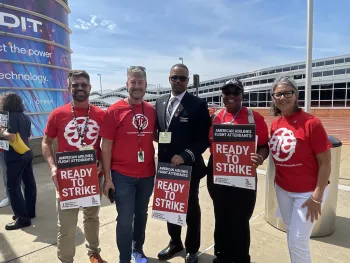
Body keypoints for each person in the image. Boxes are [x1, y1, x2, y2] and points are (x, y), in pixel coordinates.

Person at [42, 70, 106, 263]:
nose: (79, 88)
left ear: (90, 88)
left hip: (93, 176)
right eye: (75, 85)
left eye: (83, 85)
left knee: (92, 218)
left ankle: (93, 253)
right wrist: (53, 167)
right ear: (68, 88)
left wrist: (102, 162)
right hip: (67, 178)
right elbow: (46, 143)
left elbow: (108, 144)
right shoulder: (57, 114)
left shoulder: (101, 115)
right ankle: (66, 260)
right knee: (67, 225)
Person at [269, 76, 331, 263]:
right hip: (283, 189)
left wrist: (316, 197)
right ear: (273, 98)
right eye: (278, 94)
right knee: (291, 234)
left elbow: (326, 162)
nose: (282, 97)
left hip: (307, 193)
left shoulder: (312, 123)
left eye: (288, 93)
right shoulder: (275, 124)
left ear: (296, 95)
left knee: (298, 240)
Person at [207, 79, 269, 263]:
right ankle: (221, 255)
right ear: (222, 95)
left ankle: (241, 257)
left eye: (236, 92)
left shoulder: (254, 117)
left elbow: (264, 146)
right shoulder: (215, 117)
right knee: (221, 215)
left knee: (241, 219)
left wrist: (260, 157)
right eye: (227, 92)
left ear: (242, 94)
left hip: (244, 174)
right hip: (218, 173)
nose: (231, 96)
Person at [155, 64, 211, 263]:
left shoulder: (197, 104)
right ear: (169, 79)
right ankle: (175, 242)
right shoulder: (160, 102)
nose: (178, 81)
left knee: (190, 208)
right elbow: (159, 132)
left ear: (187, 81)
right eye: (174, 77)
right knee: (170, 207)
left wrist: (185, 156)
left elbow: (204, 140)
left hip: (188, 167)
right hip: (166, 167)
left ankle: (192, 249)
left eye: (182, 78)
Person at [100, 66, 156, 263]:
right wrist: (107, 179)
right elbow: (105, 146)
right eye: (133, 82)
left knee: (141, 215)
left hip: (147, 174)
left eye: (140, 83)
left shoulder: (151, 110)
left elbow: (161, 137)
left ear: (146, 85)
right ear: (126, 84)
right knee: (125, 219)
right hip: (122, 175)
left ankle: (137, 249)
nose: (137, 86)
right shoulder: (114, 111)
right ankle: (124, 258)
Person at [0, 92, 37, 230]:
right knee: (29, 183)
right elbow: (27, 138)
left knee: (13, 187)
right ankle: (29, 212)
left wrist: (1, 132)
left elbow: (12, 137)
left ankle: (22, 218)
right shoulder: (25, 117)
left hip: (15, 156)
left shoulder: (8, 117)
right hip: (27, 153)